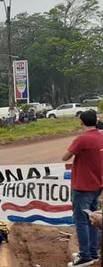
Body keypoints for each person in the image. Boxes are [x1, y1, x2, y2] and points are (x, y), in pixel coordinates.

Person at [61, 110, 103, 267]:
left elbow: (65, 156)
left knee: (81, 221)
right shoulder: (101, 136)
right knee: (93, 220)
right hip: (97, 185)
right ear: (96, 121)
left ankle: (85, 256)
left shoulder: (82, 139)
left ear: (81, 122)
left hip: (83, 187)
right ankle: (93, 252)